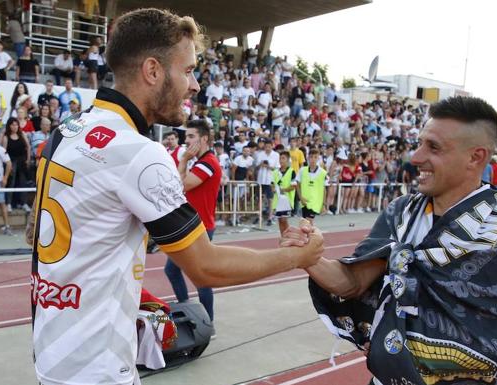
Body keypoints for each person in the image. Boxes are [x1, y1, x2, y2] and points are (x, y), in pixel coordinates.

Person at [29, 9, 323, 385]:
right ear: (153, 71)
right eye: (187, 70)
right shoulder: (138, 152)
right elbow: (206, 266)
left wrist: (121, 287)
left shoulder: (66, 130)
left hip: (51, 355)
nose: (196, 84)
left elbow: (42, 234)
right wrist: (295, 257)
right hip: (96, 369)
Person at [289, 96, 497, 385]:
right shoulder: (402, 211)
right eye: (419, 143)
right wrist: (309, 257)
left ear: (475, 157)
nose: (415, 158)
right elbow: (353, 282)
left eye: (433, 147)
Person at [169, 119, 222, 328]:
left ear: (204, 139)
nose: (187, 141)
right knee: (174, 271)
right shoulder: (201, 162)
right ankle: (190, 312)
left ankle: (207, 323)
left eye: (191, 137)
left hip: (200, 228)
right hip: (192, 226)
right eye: (186, 136)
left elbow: (182, 185)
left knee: (201, 278)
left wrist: (183, 162)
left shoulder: (208, 162)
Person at [296, 149, 328, 223]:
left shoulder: (323, 173)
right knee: (305, 223)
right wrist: (301, 198)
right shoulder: (302, 170)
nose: (313, 159)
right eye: (311, 157)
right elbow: (298, 185)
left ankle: (313, 234)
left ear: (318, 159)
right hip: (304, 201)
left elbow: (324, 190)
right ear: (308, 158)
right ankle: (311, 234)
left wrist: (323, 204)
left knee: (308, 221)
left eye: (315, 157)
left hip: (315, 202)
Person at [272, 150, 296, 234]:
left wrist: (283, 190)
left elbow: (293, 186)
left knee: (284, 220)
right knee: (280, 221)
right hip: (277, 200)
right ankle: (283, 237)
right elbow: (272, 183)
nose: (281, 160)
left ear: (287, 159)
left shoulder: (291, 172)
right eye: (280, 158)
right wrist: (274, 189)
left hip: (286, 200)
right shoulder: (275, 172)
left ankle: (289, 236)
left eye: (283, 158)